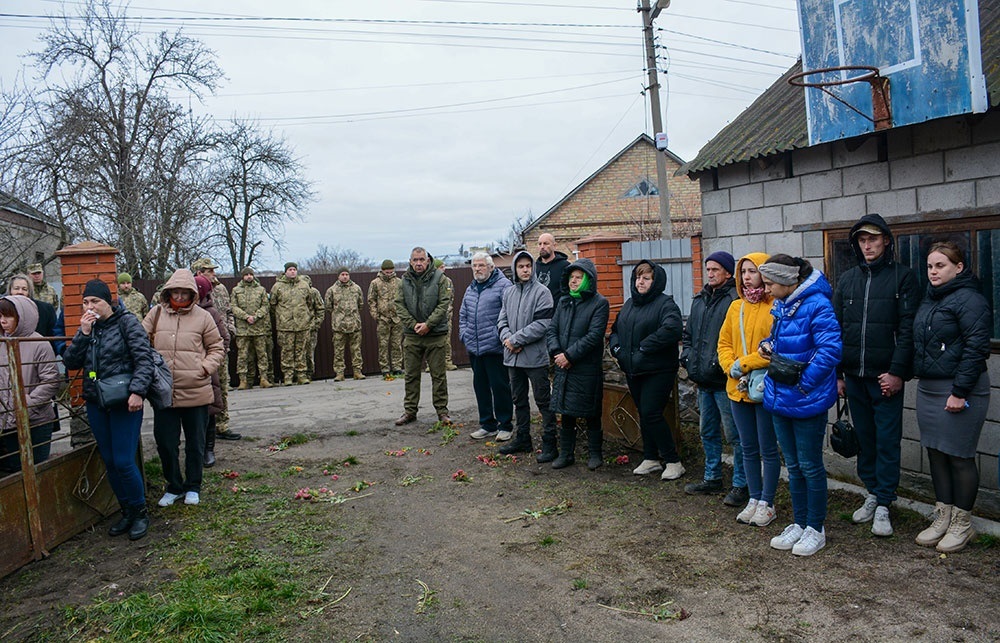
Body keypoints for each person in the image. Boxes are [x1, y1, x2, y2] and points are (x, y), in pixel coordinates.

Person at [833, 214, 919, 538]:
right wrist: (838, 374)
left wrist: (897, 373)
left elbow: (908, 330)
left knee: (886, 441)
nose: (867, 245)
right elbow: (836, 329)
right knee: (865, 439)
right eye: (862, 240)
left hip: (885, 378)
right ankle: (871, 493)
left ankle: (885, 503)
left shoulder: (903, 278)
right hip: (854, 375)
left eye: (873, 239)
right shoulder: (847, 280)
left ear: (886, 241)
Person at [758, 255, 841, 556]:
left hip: (806, 399)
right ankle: (800, 522)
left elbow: (830, 349)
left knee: (809, 466)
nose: (766, 289)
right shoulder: (782, 305)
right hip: (781, 397)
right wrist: (767, 346)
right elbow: (786, 340)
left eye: (769, 283)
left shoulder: (817, 304)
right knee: (792, 466)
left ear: (786, 281)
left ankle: (815, 528)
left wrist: (806, 383)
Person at [912, 242, 991, 553]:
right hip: (929, 389)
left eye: (940, 265)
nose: (933, 271)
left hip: (960, 389)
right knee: (935, 452)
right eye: (930, 266)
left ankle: (963, 523)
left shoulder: (970, 299)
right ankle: (943, 516)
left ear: (958, 267)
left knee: (959, 456)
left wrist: (959, 392)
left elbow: (976, 348)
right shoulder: (930, 299)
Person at [63, 280, 155, 540]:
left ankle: (140, 512)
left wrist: (138, 391)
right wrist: (82, 333)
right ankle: (126, 511)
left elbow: (144, 359)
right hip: (96, 402)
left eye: (96, 302)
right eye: (86, 302)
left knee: (124, 460)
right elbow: (70, 362)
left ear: (108, 302)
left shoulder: (127, 322)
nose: (90, 306)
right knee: (110, 461)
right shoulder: (88, 328)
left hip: (126, 401)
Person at [143, 269, 225, 508]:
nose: (179, 297)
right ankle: (173, 486)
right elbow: (140, 342)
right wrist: (151, 369)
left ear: (192, 293)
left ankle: (193, 486)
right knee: (166, 443)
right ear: (167, 292)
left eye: (184, 292)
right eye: (174, 292)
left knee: (195, 444)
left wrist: (204, 368)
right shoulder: (156, 314)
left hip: (196, 390)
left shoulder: (203, 317)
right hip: (164, 392)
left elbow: (217, 348)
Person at [717, 253, 779, 526]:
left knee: (768, 448)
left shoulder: (775, 306)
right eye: (743, 272)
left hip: (763, 387)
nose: (747, 277)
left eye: (752, 271)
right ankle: (754, 498)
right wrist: (729, 365)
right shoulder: (735, 307)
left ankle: (768, 501)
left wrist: (743, 364)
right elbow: (723, 343)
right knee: (747, 447)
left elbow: (773, 348)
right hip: (737, 388)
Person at [609, 260, 685, 480]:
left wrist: (644, 347)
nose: (640, 282)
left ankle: (673, 461)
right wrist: (617, 349)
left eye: (646, 278)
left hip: (658, 370)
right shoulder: (629, 305)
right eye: (638, 277)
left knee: (651, 413)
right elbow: (615, 330)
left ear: (656, 281)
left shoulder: (665, 304)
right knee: (644, 413)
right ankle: (651, 458)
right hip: (634, 370)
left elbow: (671, 329)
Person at [682, 251, 746, 507]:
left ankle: (742, 484)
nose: (710, 274)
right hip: (702, 381)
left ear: (728, 273)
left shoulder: (734, 300)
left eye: (715, 270)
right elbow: (689, 336)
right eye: (708, 269)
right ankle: (712, 477)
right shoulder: (700, 299)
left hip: (725, 381)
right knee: (707, 432)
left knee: (735, 436)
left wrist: (725, 366)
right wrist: (686, 358)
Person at [546, 258, 609, 470]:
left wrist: (569, 356)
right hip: (563, 366)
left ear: (588, 280)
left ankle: (595, 454)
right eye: (572, 277)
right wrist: (557, 353)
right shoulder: (564, 301)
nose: (574, 281)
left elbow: (594, 336)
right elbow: (552, 330)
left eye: (578, 277)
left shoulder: (599, 303)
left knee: (591, 411)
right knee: (566, 412)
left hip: (585, 367)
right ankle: (566, 454)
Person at [497, 251, 556, 457]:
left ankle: (550, 442)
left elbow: (542, 324)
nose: (525, 270)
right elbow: (501, 321)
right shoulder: (508, 293)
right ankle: (523, 439)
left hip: (534, 358)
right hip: (513, 358)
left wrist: (515, 340)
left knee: (543, 400)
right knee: (518, 400)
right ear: (514, 268)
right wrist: (508, 339)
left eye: (528, 266)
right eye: (521, 266)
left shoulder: (542, 293)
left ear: (533, 268)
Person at [0, 296, 59, 473]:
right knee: (16, 471)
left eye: (8, 316)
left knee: (39, 470)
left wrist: (27, 403)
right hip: (7, 419)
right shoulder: (1, 342)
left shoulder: (38, 343)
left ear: (21, 316)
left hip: (36, 420)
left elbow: (51, 380)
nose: (3, 321)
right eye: (0, 315)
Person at [394, 248, 453, 426]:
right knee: (411, 375)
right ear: (410, 261)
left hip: (435, 334)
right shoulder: (404, 281)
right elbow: (399, 304)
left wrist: (428, 324)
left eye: (422, 260)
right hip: (412, 335)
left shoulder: (440, 279)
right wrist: (414, 325)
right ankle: (410, 411)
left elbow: (444, 303)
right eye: (415, 260)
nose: (418, 263)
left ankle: (442, 412)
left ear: (428, 260)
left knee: (438, 375)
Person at [459, 252, 513, 440]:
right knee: (480, 386)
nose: (478, 269)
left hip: (495, 347)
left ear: (491, 267)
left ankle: (505, 425)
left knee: (500, 387)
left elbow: (510, 315)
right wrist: (464, 335)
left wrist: (500, 337)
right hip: (475, 348)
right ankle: (487, 424)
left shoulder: (504, 286)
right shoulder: (471, 288)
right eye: (475, 266)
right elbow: (463, 315)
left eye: (481, 265)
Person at [192, 258, 237, 438]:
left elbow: (228, 311)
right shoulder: (192, 290)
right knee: (204, 388)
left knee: (222, 386)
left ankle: (222, 424)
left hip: (221, 345)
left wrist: (230, 329)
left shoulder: (220, 289)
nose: (213, 273)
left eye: (213, 270)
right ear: (199, 272)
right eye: (209, 271)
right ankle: (204, 427)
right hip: (201, 350)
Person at [195, 275, 231, 468]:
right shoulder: (176, 312)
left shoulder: (211, 313)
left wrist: (210, 363)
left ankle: (208, 449)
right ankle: (195, 449)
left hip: (205, 371)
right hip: (182, 372)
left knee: (208, 411)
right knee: (190, 414)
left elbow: (223, 339)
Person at [269, 262, 313, 385]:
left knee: (301, 350)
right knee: (287, 351)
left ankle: (301, 375)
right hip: (285, 326)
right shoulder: (277, 286)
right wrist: (281, 317)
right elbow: (272, 305)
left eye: (294, 269)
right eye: (290, 269)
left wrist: (304, 317)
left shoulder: (304, 285)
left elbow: (309, 303)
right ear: (285, 272)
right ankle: (288, 376)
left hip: (301, 325)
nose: (292, 271)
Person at [230, 266, 272, 389]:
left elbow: (265, 306)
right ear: (243, 276)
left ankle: (264, 378)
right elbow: (233, 306)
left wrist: (256, 316)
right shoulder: (236, 290)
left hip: (258, 328)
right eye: (246, 275)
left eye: (251, 274)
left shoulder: (260, 290)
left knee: (262, 354)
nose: (249, 276)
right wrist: (245, 316)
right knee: (243, 356)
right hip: (243, 329)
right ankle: (243, 380)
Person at [325, 267, 366, 381]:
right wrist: (338, 316)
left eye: (346, 274)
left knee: (356, 349)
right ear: (338, 276)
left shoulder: (356, 288)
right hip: (339, 325)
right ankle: (339, 373)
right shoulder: (332, 290)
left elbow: (360, 304)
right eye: (342, 274)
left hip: (354, 324)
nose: (345, 276)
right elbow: (328, 306)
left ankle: (357, 372)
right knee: (338, 351)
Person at [368, 259, 404, 377]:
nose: (389, 274)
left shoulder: (399, 282)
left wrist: (402, 313)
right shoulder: (375, 283)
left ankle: (397, 367)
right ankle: (384, 369)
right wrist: (376, 315)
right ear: (382, 271)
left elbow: (404, 299)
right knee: (383, 345)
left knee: (397, 343)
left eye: (391, 272)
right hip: (383, 319)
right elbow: (371, 300)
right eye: (387, 272)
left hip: (397, 318)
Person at [6, 273, 57, 339]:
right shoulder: (3, 309)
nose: (20, 292)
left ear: (29, 291)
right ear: (10, 291)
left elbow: (53, 335)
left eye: (24, 289)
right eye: (16, 288)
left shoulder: (46, 309)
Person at [435, 259, 459, 371]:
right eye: (441, 267)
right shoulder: (430, 281)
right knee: (432, 341)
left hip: (446, 315)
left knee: (446, 339)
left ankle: (447, 362)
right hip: (433, 316)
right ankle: (432, 364)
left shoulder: (448, 281)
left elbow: (451, 297)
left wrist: (448, 310)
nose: (444, 269)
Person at [534, 232, 570, 304]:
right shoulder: (533, 268)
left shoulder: (565, 266)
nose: (542, 247)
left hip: (558, 311)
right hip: (538, 312)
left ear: (554, 246)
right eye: (540, 244)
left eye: (546, 243)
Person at [302, 274, 325, 381]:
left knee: (309, 352)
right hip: (297, 328)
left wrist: (316, 324)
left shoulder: (314, 292)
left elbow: (321, 309)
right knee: (297, 352)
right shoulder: (296, 292)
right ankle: (298, 375)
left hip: (311, 328)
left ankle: (309, 374)